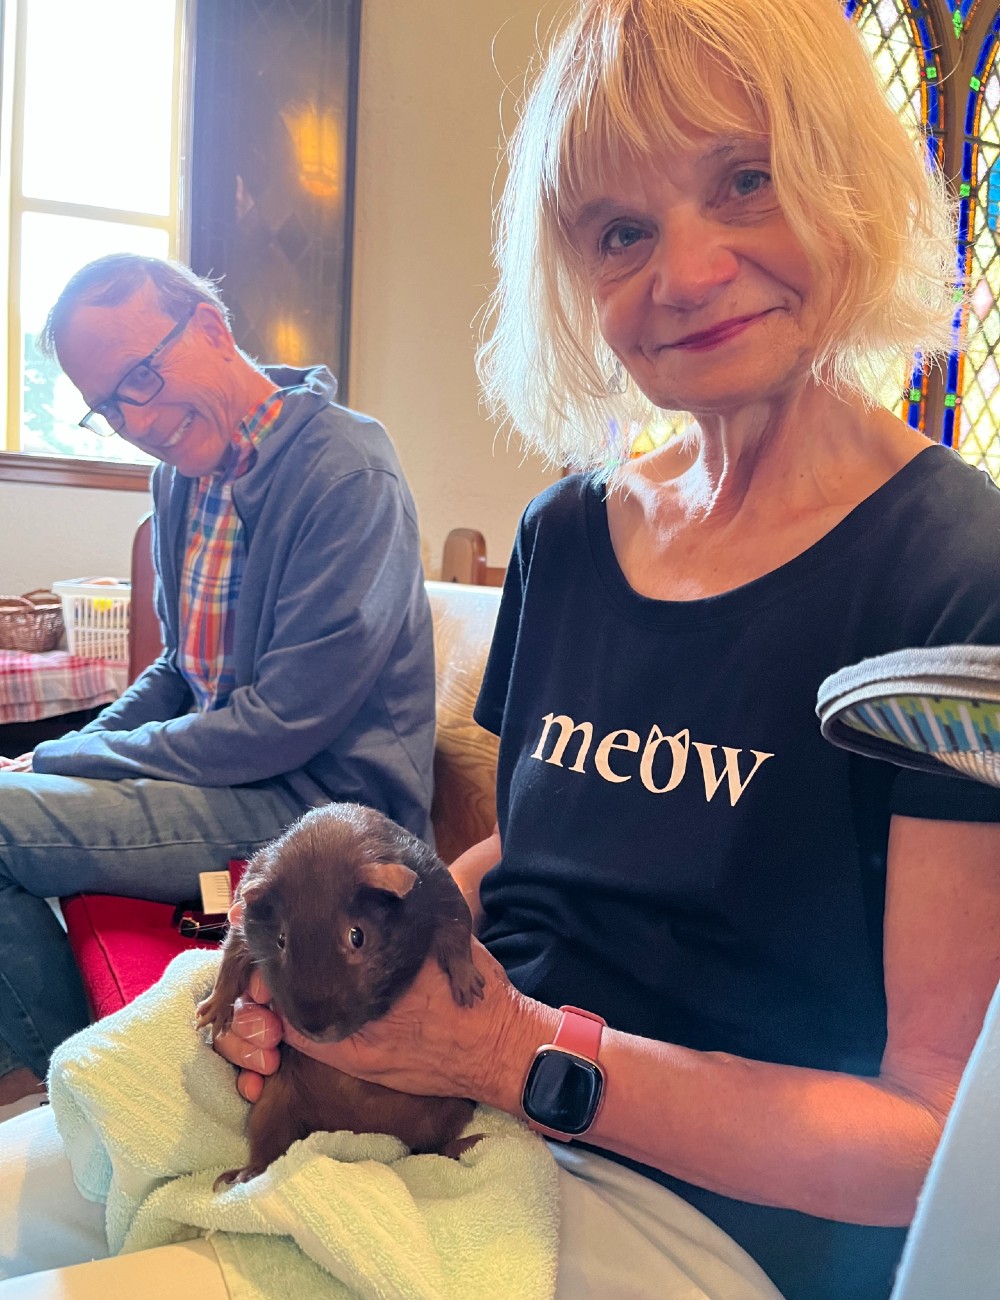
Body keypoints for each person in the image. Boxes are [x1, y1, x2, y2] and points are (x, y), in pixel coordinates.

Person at [1, 3, 999, 1298]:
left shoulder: (953, 574)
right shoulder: (569, 531)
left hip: (703, 1210)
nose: (685, 272)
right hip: (459, 1097)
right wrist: (333, 985)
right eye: (620, 230)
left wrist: (518, 1057)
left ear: (847, 180)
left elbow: (933, 1140)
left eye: (745, 180)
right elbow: (526, 850)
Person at [0, 254, 435, 1108]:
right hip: (230, 782)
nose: (137, 419)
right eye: (107, 406)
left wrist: (85, 762)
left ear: (210, 327)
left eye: (142, 378)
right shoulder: (179, 479)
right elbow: (177, 670)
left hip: (319, 809)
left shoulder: (347, 471)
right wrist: (66, 748)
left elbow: (283, 724)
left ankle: (93, 1098)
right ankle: (61, 1076)